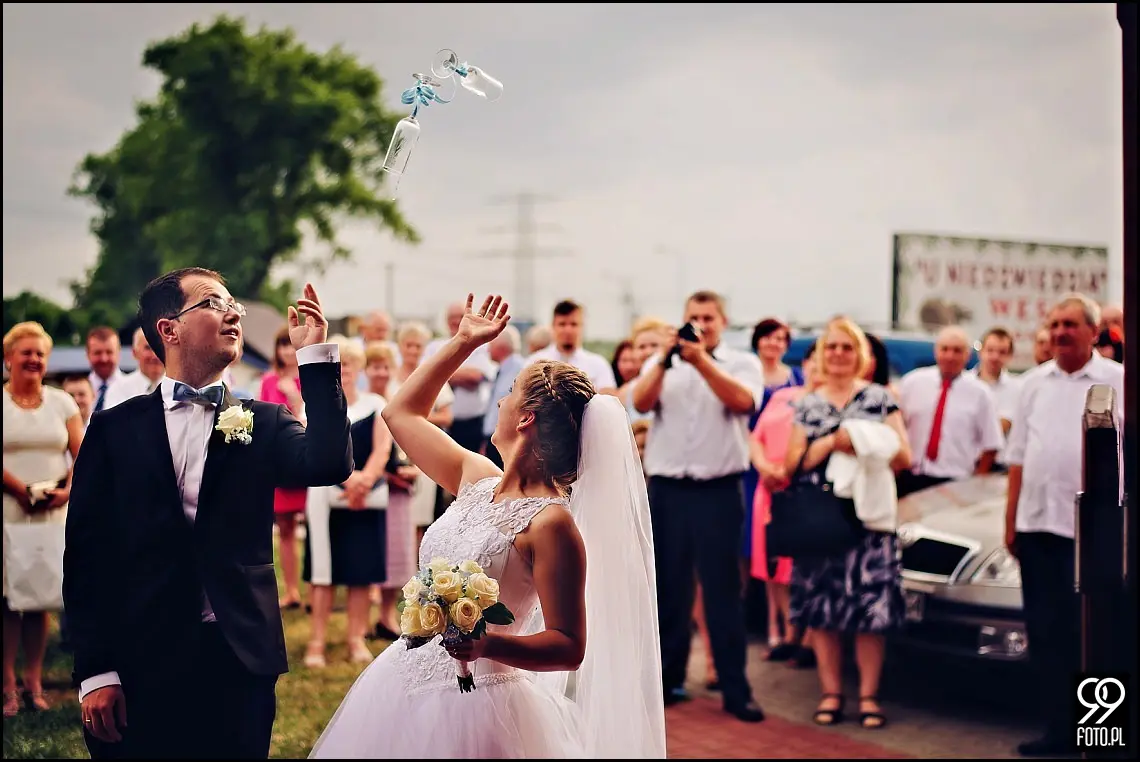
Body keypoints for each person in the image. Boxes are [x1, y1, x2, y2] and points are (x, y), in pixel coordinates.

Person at [310, 294, 666, 759]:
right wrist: (462, 342)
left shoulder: (552, 524)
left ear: (526, 417)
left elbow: (568, 645)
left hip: (482, 706)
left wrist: (486, 643)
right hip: (405, 679)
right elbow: (400, 414)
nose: (500, 397)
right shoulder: (475, 477)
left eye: (511, 390)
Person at [63, 268, 354, 760]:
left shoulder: (263, 421)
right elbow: (87, 557)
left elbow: (330, 463)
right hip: (139, 658)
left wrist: (315, 359)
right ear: (169, 329)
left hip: (238, 657)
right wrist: (95, 670)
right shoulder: (113, 430)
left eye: (233, 304)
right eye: (213, 303)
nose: (233, 313)